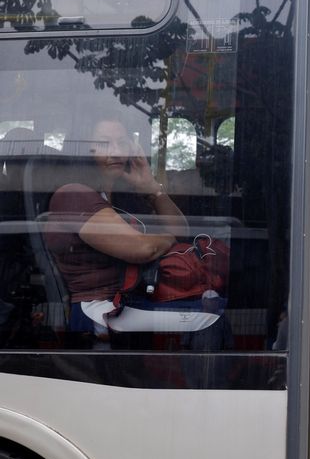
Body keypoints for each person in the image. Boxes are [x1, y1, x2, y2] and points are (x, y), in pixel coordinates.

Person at [43, 115, 225, 348]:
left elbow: (181, 232)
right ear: (81, 150)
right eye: (104, 143)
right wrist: (164, 241)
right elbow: (144, 249)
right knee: (210, 322)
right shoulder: (73, 195)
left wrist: (151, 189)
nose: (117, 152)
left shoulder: (121, 197)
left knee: (212, 311)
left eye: (122, 143)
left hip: (130, 300)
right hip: (99, 310)